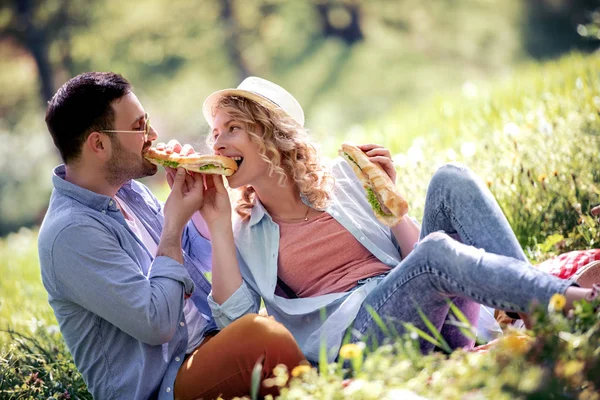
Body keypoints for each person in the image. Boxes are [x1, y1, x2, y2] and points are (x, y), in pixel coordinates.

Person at [167, 76, 598, 364]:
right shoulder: (244, 228)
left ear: (270, 134)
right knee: (435, 255)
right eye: (215, 132)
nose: (217, 142)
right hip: (361, 333)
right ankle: (569, 302)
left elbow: (417, 257)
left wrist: (390, 208)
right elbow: (237, 324)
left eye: (231, 129)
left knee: (451, 177)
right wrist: (218, 222)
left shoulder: (345, 177)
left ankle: (531, 305)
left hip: (426, 304)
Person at [38, 72, 305, 400]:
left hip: (206, 345)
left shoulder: (128, 192)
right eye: (139, 127)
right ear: (99, 144)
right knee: (263, 337)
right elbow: (157, 324)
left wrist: (202, 206)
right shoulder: (71, 235)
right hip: (164, 384)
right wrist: (173, 225)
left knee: (290, 323)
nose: (153, 134)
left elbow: (198, 259)